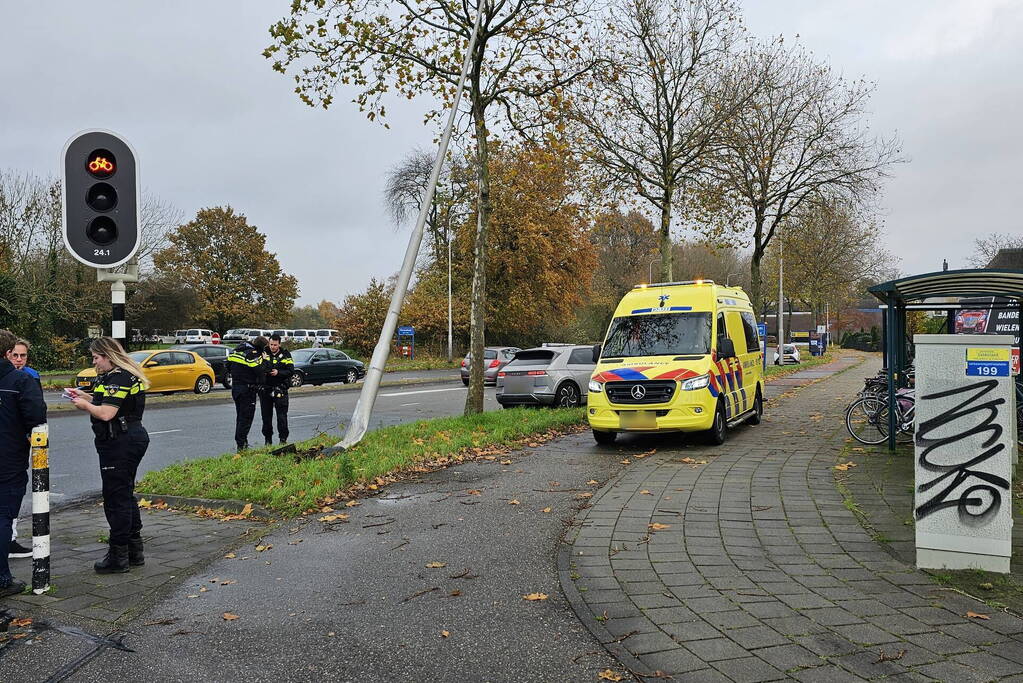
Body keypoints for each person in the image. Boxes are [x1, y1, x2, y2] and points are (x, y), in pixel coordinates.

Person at [68, 337, 150, 574]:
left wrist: (86, 407)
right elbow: (106, 401)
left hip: (120, 441)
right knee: (124, 493)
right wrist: (84, 397)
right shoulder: (114, 376)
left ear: (108, 356)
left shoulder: (120, 376)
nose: (94, 363)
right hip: (121, 439)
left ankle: (118, 556)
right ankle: (134, 551)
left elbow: (106, 413)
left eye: (96, 358)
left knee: (116, 499)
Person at [0, 329, 47, 595]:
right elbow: (37, 421)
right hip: (8, 460)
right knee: (3, 516)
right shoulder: (20, 381)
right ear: (8, 353)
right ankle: (2, 579)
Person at [5, 339, 40, 560]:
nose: (19, 360)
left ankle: (10, 537)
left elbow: (36, 409)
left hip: (20, 442)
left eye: (23, 356)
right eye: (15, 355)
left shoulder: (31, 376)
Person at [227, 335, 268, 451]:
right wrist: (264, 360)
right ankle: (242, 445)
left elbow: (228, 366)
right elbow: (260, 371)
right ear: (261, 347)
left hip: (236, 388)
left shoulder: (237, 350)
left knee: (240, 416)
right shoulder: (253, 354)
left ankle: (241, 442)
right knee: (246, 418)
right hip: (247, 390)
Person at [260, 334, 294, 446]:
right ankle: (267, 440)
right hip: (266, 389)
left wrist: (278, 373)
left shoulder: (285, 354)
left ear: (279, 344)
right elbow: (260, 369)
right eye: (271, 344)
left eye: (275, 345)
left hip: (281, 389)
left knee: (282, 416)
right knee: (266, 416)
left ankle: (283, 440)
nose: (273, 347)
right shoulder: (263, 352)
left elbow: (290, 370)